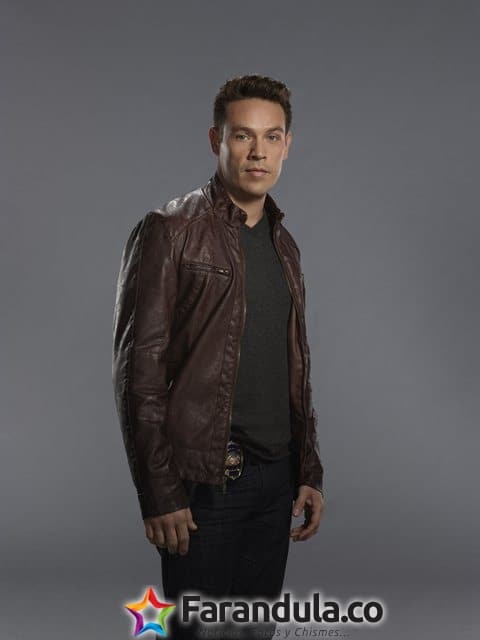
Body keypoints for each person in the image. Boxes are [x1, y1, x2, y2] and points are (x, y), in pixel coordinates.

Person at [112, 74, 325, 639]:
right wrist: (159, 491)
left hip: (276, 479)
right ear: (216, 140)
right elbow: (138, 373)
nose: (258, 151)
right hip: (206, 482)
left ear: (287, 145)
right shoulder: (170, 231)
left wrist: (308, 469)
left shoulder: (284, 245)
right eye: (243, 135)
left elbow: (295, 366)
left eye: (272, 137)